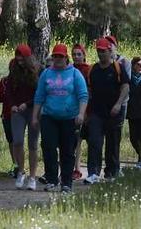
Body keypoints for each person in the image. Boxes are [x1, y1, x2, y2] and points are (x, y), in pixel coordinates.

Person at [32, 44, 88, 193]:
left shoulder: (75, 74)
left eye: (60, 56)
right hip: (49, 116)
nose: (57, 59)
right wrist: (34, 117)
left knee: (67, 150)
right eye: (55, 56)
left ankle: (66, 182)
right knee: (48, 147)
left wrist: (81, 114)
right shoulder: (46, 74)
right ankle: (51, 179)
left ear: (66, 58)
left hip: (69, 118)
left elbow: (83, 95)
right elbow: (39, 96)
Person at [85, 38, 130, 184]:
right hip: (96, 112)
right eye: (98, 51)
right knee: (94, 142)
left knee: (113, 143)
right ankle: (93, 173)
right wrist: (86, 112)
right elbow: (88, 91)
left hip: (114, 113)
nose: (100, 54)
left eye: (103, 51)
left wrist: (118, 104)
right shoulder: (93, 69)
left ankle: (112, 172)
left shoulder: (118, 68)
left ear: (109, 51)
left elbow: (125, 87)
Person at [5, 44, 40, 190]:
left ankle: (32, 177)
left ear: (28, 58)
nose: (19, 62)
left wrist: (27, 104)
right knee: (17, 140)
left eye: (22, 60)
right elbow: (8, 90)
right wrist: (12, 105)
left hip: (33, 110)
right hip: (17, 110)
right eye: (17, 59)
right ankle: (21, 171)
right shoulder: (13, 67)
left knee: (33, 144)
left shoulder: (38, 69)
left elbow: (40, 92)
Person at [71, 44, 91, 181]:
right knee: (75, 141)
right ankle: (76, 169)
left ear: (84, 55)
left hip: (88, 108)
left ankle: (92, 170)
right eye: (74, 54)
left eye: (79, 54)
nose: (77, 57)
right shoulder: (69, 70)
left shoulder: (89, 70)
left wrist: (87, 111)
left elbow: (90, 90)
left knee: (91, 140)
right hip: (73, 109)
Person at [0, 75, 18, 178]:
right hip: (7, 114)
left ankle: (20, 166)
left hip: (21, 114)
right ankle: (16, 165)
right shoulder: (4, 81)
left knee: (18, 140)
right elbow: (0, 98)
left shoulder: (25, 80)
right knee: (11, 140)